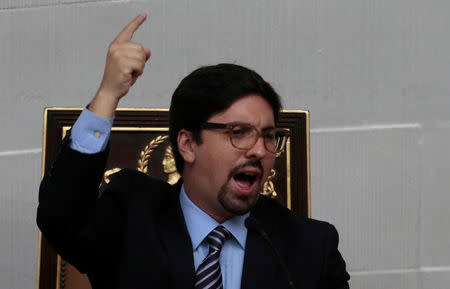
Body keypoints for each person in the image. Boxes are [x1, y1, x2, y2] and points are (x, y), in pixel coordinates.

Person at [37, 13, 350, 289]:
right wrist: (108, 93)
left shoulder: (309, 247)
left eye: (269, 136)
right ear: (187, 144)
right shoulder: (132, 215)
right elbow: (60, 217)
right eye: (238, 133)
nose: (259, 150)